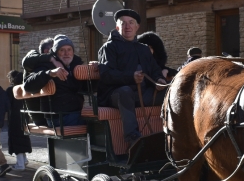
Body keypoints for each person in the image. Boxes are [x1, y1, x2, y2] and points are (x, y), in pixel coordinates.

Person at [97, 9, 166, 147]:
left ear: (137, 27)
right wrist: (131, 77)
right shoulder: (109, 47)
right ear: (117, 27)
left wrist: (159, 80)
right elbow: (106, 75)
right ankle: (133, 139)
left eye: (131, 23)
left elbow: (155, 70)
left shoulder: (144, 49)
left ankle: (171, 134)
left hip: (142, 94)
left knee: (170, 93)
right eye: (123, 23)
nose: (127, 26)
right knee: (125, 91)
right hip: (115, 95)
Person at [24, 35, 85, 128]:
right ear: (56, 52)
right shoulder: (47, 65)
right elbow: (28, 86)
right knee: (97, 126)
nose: (66, 53)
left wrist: (95, 71)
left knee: (100, 117)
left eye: (69, 49)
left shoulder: (76, 65)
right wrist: (50, 73)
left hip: (75, 112)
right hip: (58, 117)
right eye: (62, 50)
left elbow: (90, 88)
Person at [21, 38, 55, 126]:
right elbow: (26, 61)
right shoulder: (36, 62)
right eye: (56, 50)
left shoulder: (39, 62)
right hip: (41, 115)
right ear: (47, 51)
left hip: (39, 114)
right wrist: (51, 59)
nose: (57, 55)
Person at [6, 70, 32, 170]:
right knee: (24, 137)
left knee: (16, 137)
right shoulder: (26, 88)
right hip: (25, 115)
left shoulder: (11, 90)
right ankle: (24, 160)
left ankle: (20, 164)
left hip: (14, 117)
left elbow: (7, 104)